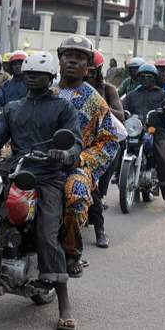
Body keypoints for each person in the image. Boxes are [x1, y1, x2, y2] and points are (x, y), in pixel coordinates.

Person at [0, 51, 82, 330]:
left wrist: (65, 153)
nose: (32, 78)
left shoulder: (63, 107)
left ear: (51, 78)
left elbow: (75, 143)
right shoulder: (13, 107)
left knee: (47, 233)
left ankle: (64, 304)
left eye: (39, 74)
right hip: (16, 169)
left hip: (48, 176)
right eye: (28, 74)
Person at [56, 35, 119, 277]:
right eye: (68, 55)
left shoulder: (96, 101)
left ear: (89, 65)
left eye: (79, 57)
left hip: (75, 166)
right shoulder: (45, 91)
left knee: (77, 195)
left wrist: (80, 159)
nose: (72, 61)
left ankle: (71, 253)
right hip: (38, 161)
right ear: (59, 60)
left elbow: (109, 142)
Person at [123, 64, 165, 212]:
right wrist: (120, 112)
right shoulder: (132, 95)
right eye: (143, 76)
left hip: (156, 131)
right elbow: (122, 107)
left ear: (155, 78)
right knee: (117, 146)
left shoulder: (162, 94)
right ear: (138, 78)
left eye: (149, 76)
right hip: (136, 130)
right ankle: (119, 174)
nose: (146, 79)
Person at [84, 50, 124, 249]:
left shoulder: (107, 90)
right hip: (73, 141)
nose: (87, 74)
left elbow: (121, 115)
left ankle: (100, 230)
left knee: (91, 185)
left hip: (98, 143)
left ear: (98, 70)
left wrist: (101, 106)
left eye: (91, 71)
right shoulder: (68, 88)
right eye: (86, 71)